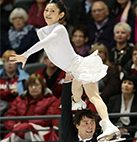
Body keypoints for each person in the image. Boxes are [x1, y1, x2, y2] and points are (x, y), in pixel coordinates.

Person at [9, 0, 124, 141]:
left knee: (93, 96)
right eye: (46, 10)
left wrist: (25, 54)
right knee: (76, 100)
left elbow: (45, 43)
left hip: (79, 66)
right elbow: (51, 53)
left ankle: (108, 125)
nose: (48, 13)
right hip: (71, 70)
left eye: (52, 11)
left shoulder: (60, 28)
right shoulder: (41, 31)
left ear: (61, 15)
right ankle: (87, 123)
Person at [1, 73, 58, 142]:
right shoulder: (20, 99)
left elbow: (49, 118)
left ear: (42, 86)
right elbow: (9, 116)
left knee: (24, 128)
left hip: (41, 131)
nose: (33, 88)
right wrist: (13, 126)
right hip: (19, 130)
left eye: (36, 85)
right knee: (22, 129)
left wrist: (25, 124)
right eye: (31, 85)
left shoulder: (51, 100)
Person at [61, 73, 98, 142]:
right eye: (86, 123)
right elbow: (65, 108)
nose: (90, 127)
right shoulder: (70, 137)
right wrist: (67, 80)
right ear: (77, 125)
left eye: (92, 122)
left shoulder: (100, 140)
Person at [107, 72, 137, 142]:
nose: (126, 85)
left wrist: (127, 129)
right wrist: (117, 129)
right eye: (124, 82)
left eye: (130, 83)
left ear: (134, 88)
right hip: (115, 131)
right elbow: (109, 118)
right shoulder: (113, 100)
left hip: (132, 132)